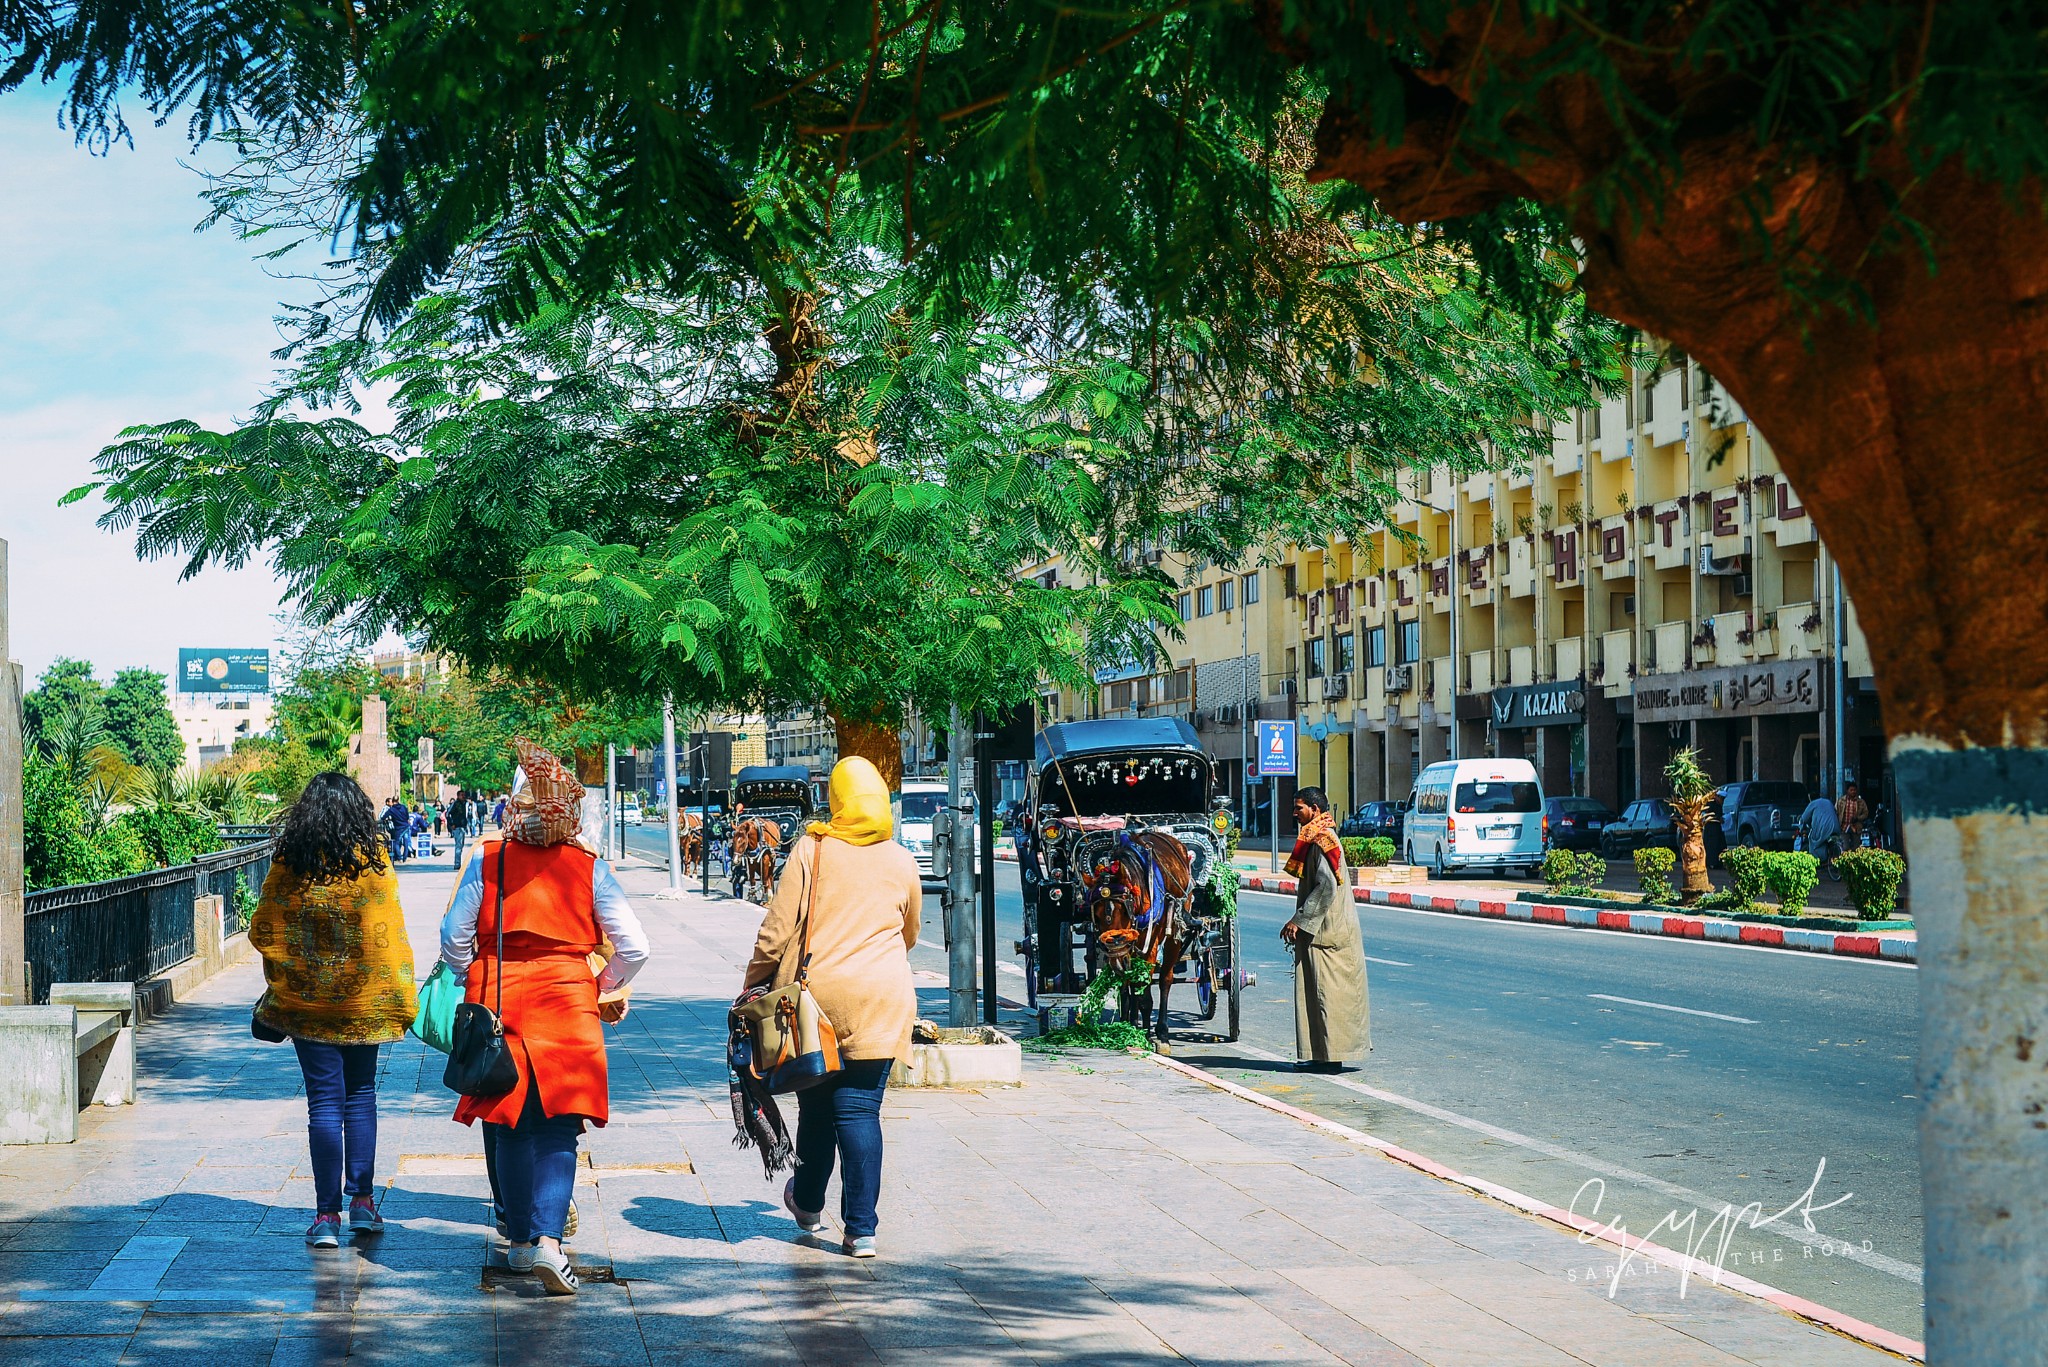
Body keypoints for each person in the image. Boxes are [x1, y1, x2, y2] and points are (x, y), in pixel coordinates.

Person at [439, 740, 648, 1295]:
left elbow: (452, 938)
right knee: (560, 1126)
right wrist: (601, 983)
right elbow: (635, 945)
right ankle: (552, 1246)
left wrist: (471, 973)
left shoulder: (488, 860)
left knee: (508, 1122)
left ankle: (520, 1243)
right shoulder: (588, 867)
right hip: (567, 1004)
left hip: (499, 999)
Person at [743, 756, 920, 1259]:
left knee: (817, 1105)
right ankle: (861, 1228)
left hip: (815, 1001)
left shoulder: (811, 850)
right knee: (860, 1109)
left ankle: (808, 1202)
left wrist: (753, 984)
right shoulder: (901, 859)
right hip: (883, 998)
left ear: (836, 800)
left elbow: (776, 932)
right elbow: (909, 933)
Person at [249, 772, 418, 1248]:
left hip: (307, 1005)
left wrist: (298, 969)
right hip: (363, 1003)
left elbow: (265, 928)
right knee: (361, 1095)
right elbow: (391, 931)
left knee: (323, 1101)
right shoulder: (373, 860)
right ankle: (362, 1203)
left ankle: (327, 1217)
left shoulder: (291, 861)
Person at [1280, 786, 1370, 1075]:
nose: (1295, 813)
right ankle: (1320, 1056)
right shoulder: (1313, 838)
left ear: (1315, 810)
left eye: (1299, 808)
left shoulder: (1322, 840)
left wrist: (1298, 920)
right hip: (1320, 930)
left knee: (1329, 995)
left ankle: (1332, 1058)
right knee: (1316, 992)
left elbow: (1327, 886)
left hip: (1330, 931)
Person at [1835, 782, 1869, 851]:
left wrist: (1858, 818)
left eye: (1854, 790)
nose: (1853, 792)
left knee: (1856, 848)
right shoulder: (1841, 801)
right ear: (1847, 791)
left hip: (1856, 828)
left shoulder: (1861, 802)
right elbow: (1835, 812)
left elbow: (1866, 813)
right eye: (1851, 790)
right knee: (1845, 847)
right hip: (1844, 827)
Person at [447, 790, 473, 869]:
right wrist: (452, 824)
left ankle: (458, 863)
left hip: (463, 827)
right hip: (457, 827)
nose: (463, 797)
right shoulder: (455, 804)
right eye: (462, 795)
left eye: (464, 795)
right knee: (458, 846)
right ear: (458, 796)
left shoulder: (464, 804)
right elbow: (448, 814)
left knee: (461, 846)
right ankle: (457, 864)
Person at [380, 797, 410, 863]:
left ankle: (399, 858)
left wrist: (389, 819)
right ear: (398, 800)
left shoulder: (392, 809)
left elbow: (383, 817)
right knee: (406, 842)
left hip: (399, 828)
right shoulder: (403, 807)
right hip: (406, 826)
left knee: (396, 842)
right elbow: (407, 817)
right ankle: (405, 857)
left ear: (393, 801)